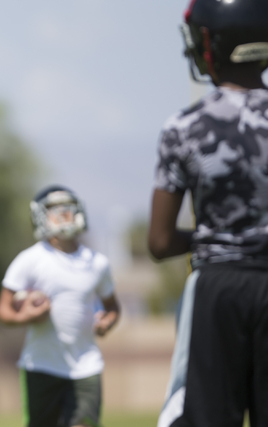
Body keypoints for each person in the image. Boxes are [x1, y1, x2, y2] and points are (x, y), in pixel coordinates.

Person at [149, 1, 268, 426]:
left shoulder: (185, 127)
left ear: (207, 44)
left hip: (218, 289)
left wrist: (216, 237)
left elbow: (160, 242)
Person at [0, 186, 120, 427]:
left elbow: (113, 307)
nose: (63, 214)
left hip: (86, 364)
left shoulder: (98, 263)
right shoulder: (29, 259)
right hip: (41, 364)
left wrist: (107, 321)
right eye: (54, 210)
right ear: (41, 215)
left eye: (67, 208)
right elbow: (2, 312)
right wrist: (27, 316)